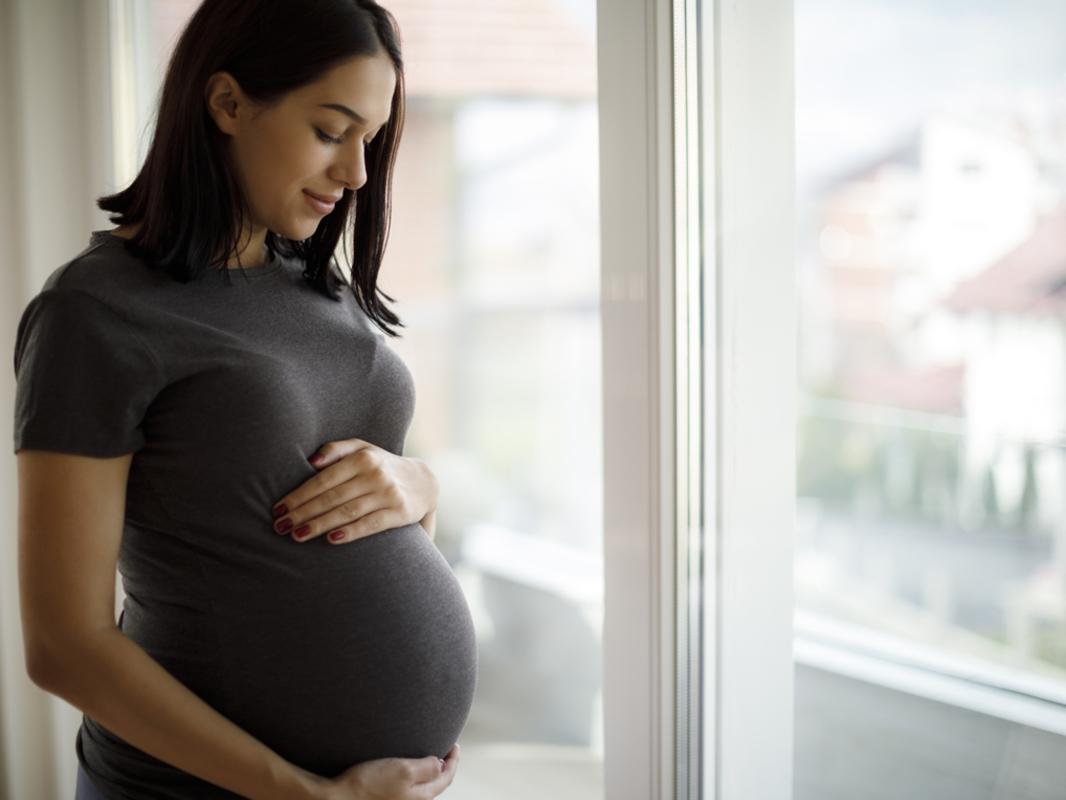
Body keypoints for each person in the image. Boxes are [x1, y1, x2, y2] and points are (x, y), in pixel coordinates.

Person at [13, 1, 479, 797]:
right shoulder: (96, 313)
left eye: (371, 139)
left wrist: (418, 485)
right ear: (226, 102)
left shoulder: (319, 289)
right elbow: (64, 643)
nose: (358, 173)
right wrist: (304, 793)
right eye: (332, 131)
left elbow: (348, 513)